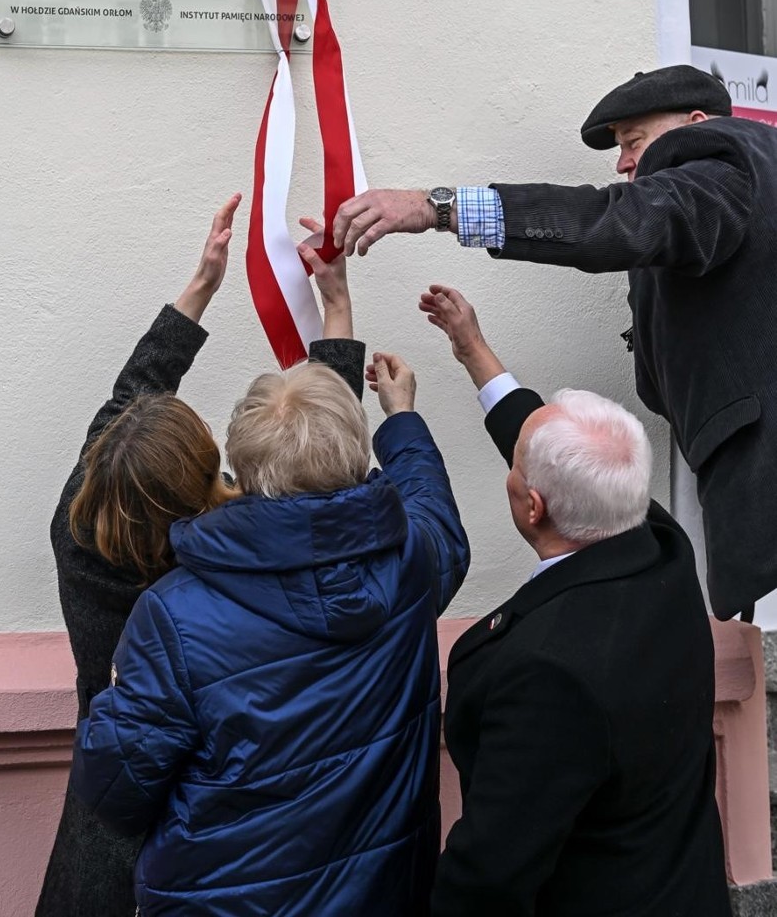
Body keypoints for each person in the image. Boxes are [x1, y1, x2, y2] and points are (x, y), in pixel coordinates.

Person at [333, 62, 777, 621]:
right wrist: (474, 349)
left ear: (695, 122)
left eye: (634, 140)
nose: (623, 163)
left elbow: (614, 222)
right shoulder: (748, 178)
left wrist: (437, 208)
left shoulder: (720, 161)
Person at [36, 196, 378, 917]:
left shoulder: (77, 535)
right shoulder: (218, 580)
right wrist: (336, 310)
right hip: (202, 837)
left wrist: (201, 286)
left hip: (100, 829)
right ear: (204, 479)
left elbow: (126, 404)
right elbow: (324, 492)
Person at [68, 312, 469, 913]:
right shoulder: (412, 560)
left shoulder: (173, 616)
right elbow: (433, 508)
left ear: (242, 466)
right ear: (357, 460)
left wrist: (117, 696)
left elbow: (114, 792)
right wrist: (403, 419)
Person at [414, 283, 730, 917]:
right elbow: (554, 454)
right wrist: (472, 347)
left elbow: (489, 877)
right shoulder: (660, 544)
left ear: (532, 507)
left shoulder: (549, 675)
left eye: (518, 467)